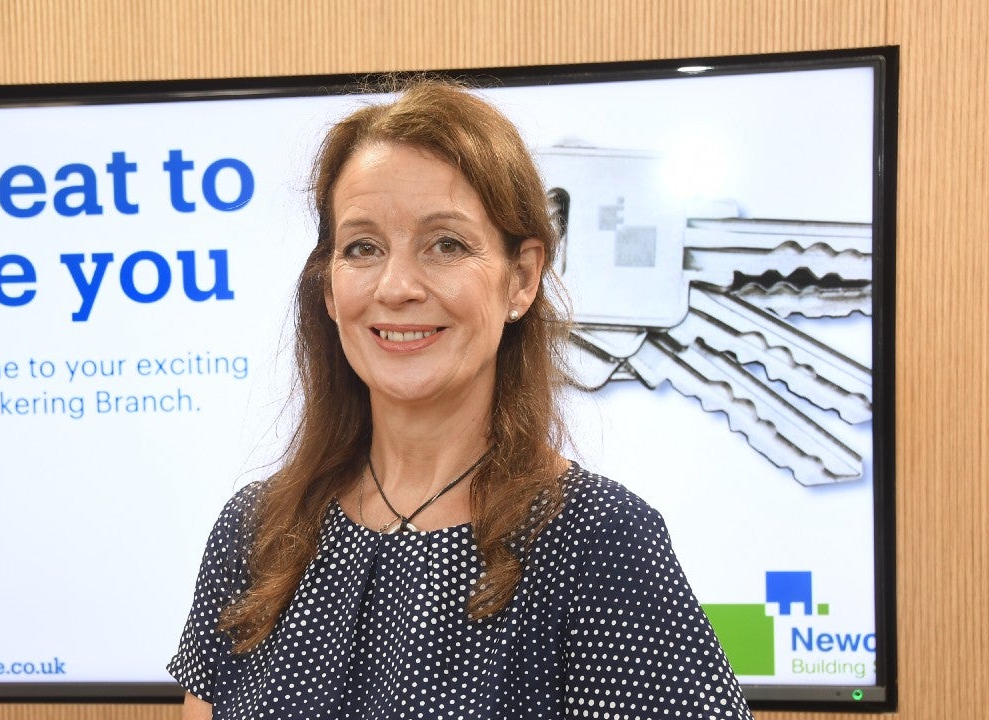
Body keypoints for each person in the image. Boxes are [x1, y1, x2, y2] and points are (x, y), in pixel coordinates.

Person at [168, 80, 753, 720]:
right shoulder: (253, 532)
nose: (395, 287)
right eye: (362, 247)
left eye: (446, 244)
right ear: (330, 290)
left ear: (521, 278)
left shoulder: (600, 543)